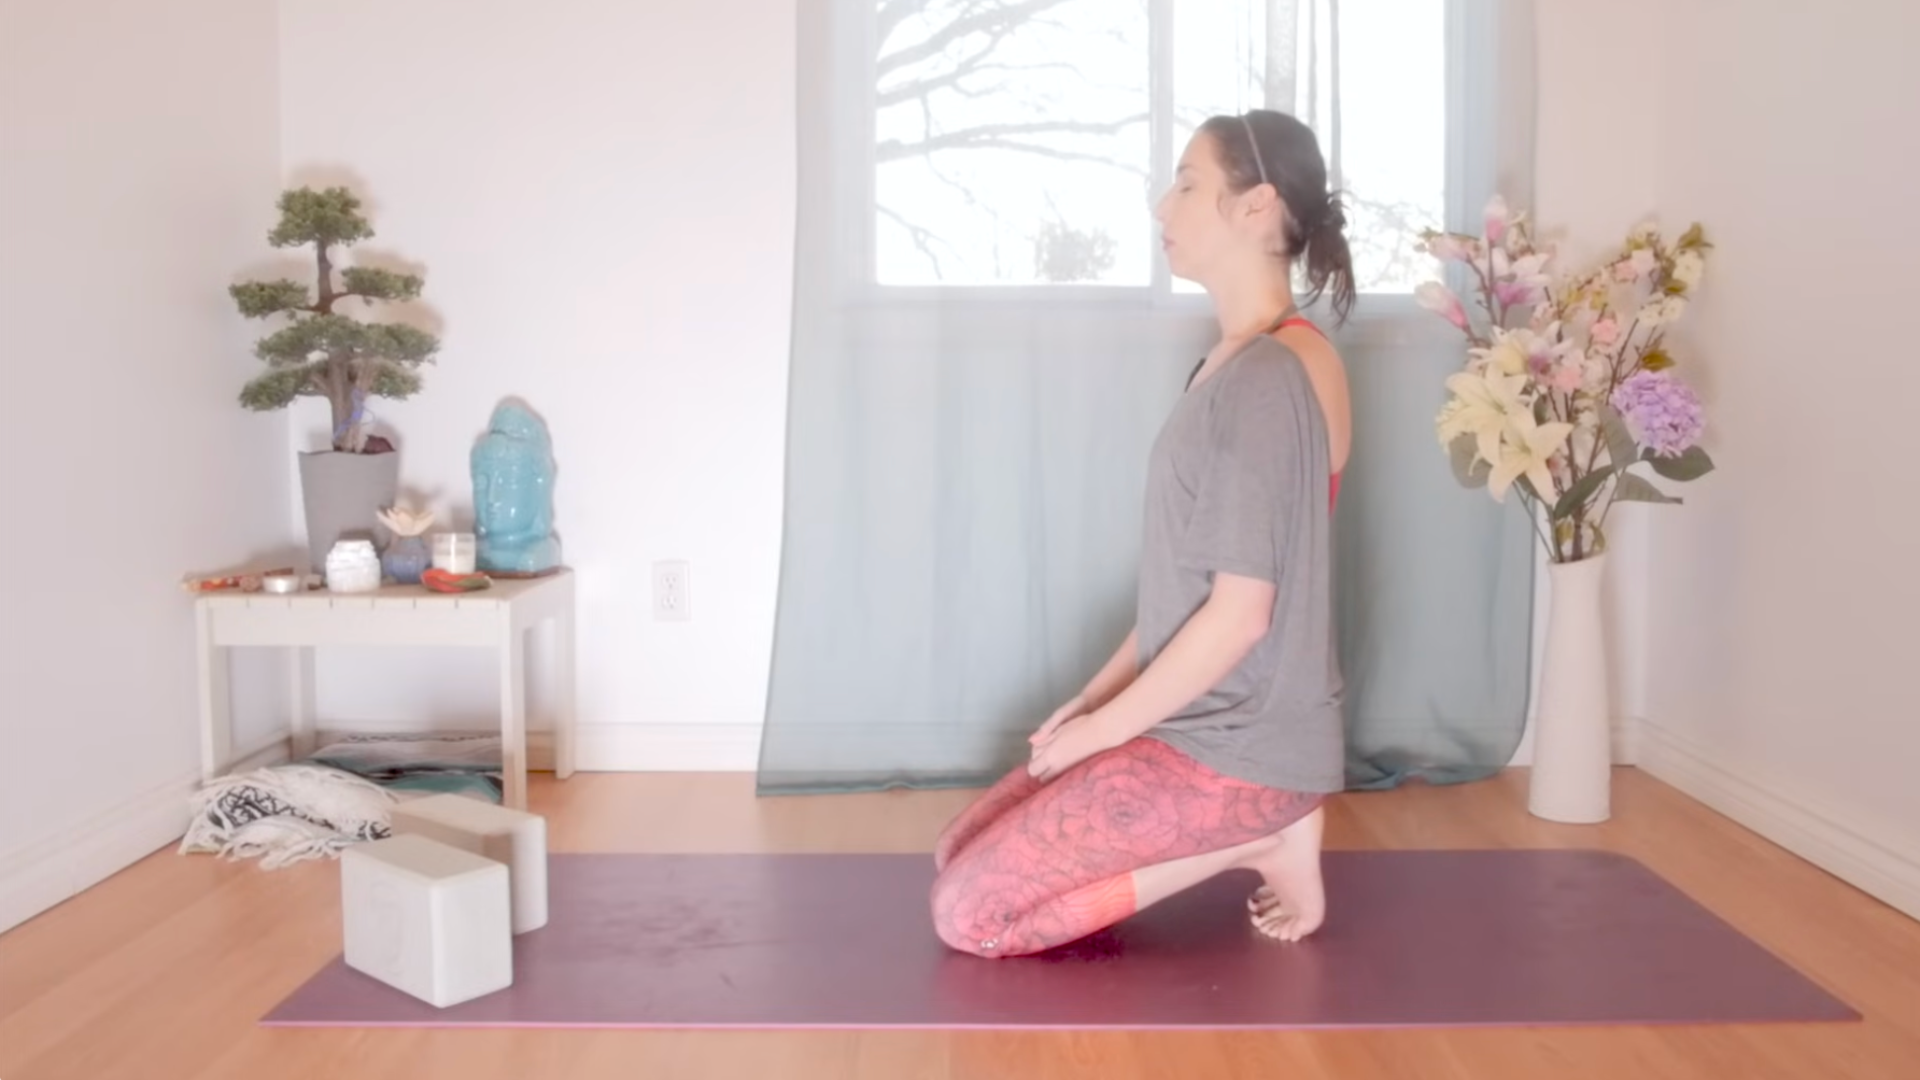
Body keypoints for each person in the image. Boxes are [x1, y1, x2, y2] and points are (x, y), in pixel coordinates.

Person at [928, 109, 1356, 959]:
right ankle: (1268, 829)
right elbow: (1186, 593)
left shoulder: (1279, 373)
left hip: (1241, 746)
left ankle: (1261, 838)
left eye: (1189, 183)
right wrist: (1091, 701)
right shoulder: (1227, 364)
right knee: (954, 852)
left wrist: (1104, 733)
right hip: (1187, 720)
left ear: (1257, 206)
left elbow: (1241, 617)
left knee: (968, 916)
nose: (1164, 207)